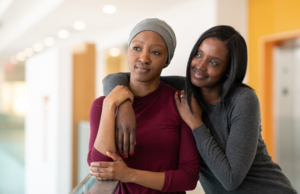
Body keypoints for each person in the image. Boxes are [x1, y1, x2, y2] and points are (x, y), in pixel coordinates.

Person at [102, 25, 298, 194]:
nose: (200, 66)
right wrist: (123, 105)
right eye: (199, 54)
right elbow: (115, 78)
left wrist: (196, 122)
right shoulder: (183, 89)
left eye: (213, 62)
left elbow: (230, 180)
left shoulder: (242, 99)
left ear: (229, 70)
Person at [87, 18, 200, 194]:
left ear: (167, 61)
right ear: (128, 52)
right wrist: (111, 105)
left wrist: (130, 175)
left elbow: (189, 178)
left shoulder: (180, 103)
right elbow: (100, 167)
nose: (144, 58)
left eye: (155, 52)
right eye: (137, 48)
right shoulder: (102, 105)